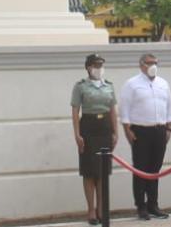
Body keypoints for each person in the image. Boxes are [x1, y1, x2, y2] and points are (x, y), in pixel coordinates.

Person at [119, 53, 171, 220]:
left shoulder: (163, 84)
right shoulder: (132, 84)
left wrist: (169, 129)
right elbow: (124, 109)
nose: (153, 66)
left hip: (160, 130)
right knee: (141, 169)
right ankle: (141, 206)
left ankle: (153, 205)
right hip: (140, 131)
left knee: (155, 170)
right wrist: (127, 130)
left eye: (155, 62)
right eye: (150, 63)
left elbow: (169, 107)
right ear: (141, 65)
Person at [72, 53, 118, 225]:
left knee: (102, 171)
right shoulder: (80, 86)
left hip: (104, 127)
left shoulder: (109, 86)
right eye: (96, 65)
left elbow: (113, 110)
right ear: (88, 67)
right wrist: (77, 134)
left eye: (101, 65)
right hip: (88, 128)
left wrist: (116, 132)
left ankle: (101, 209)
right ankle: (91, 210)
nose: (99, 69)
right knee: (89, 171)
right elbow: (75, 112)